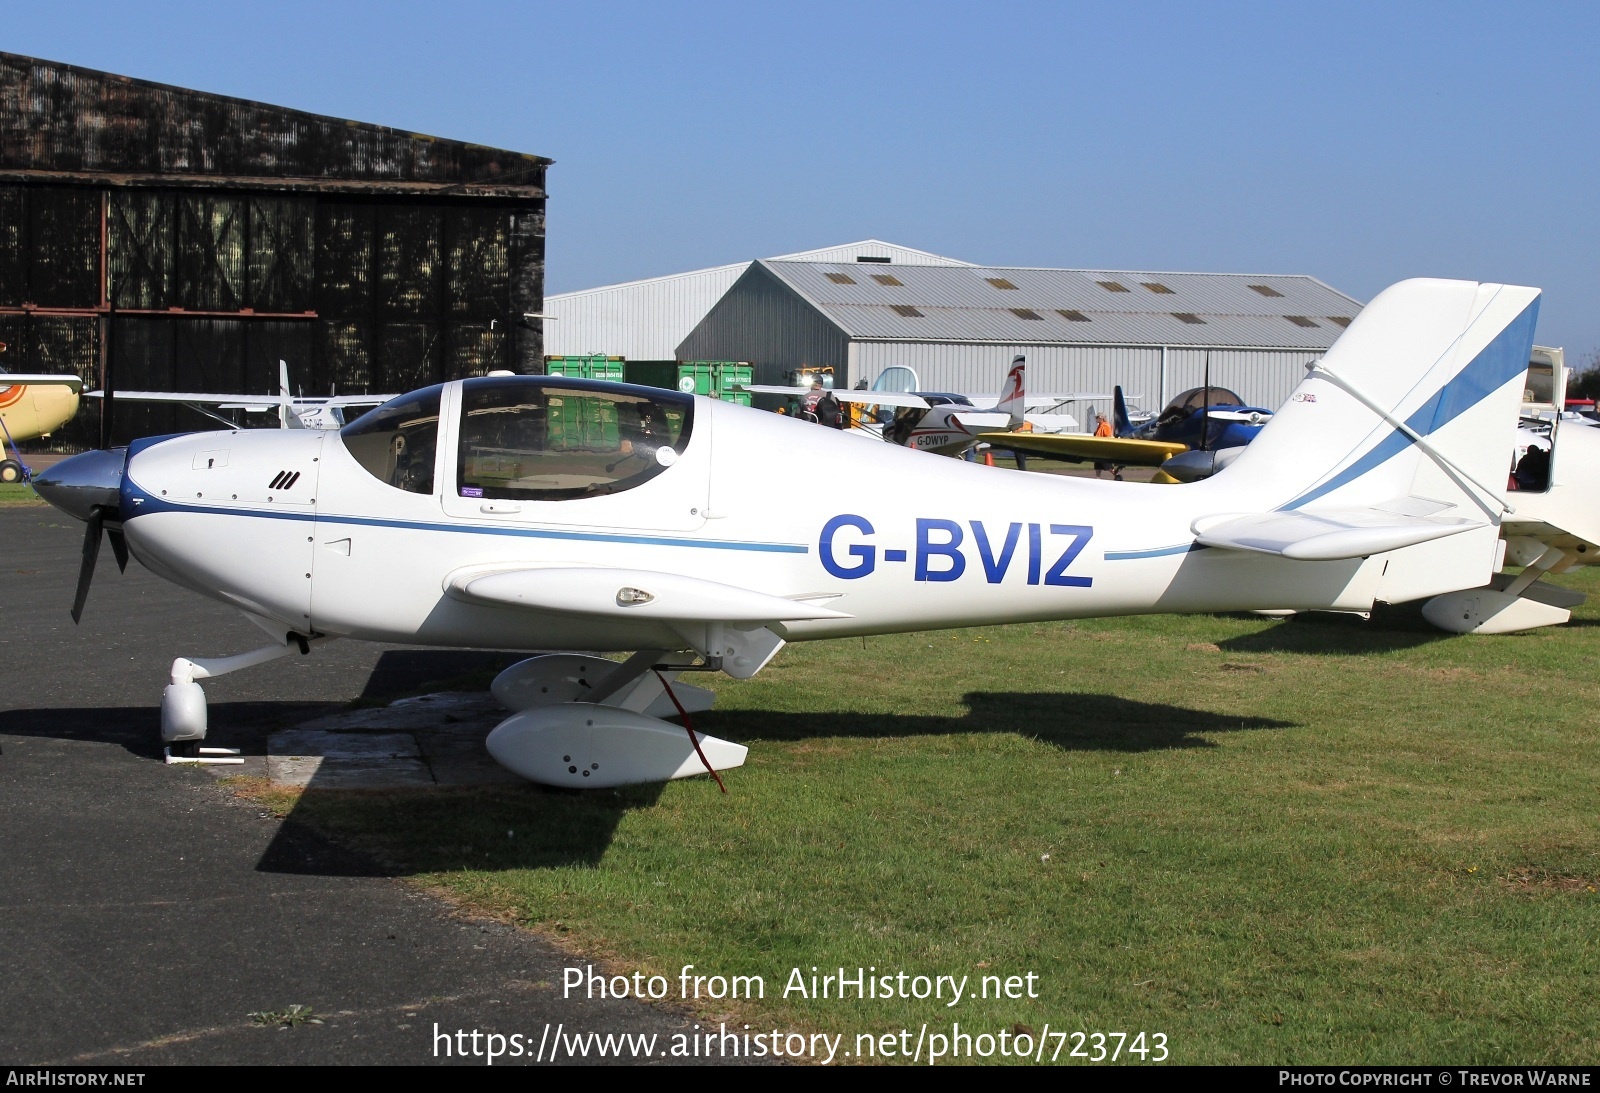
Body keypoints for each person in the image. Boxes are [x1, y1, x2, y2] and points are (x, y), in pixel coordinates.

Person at [1092, 412, 1114, 478]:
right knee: (1098, 465)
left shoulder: (1106, 426)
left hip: (1103, 449)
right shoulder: (1099, 426)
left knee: (1107, 465)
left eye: (1097, 418)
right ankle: (1097, 478)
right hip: (1098, 448)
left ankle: (1116, 475)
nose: (1096, 419)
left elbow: (1108, 437)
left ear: (1102, 418)